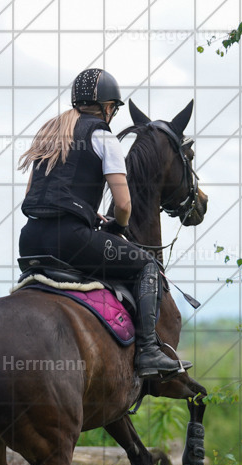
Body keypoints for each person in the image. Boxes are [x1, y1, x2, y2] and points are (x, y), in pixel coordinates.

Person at [18, 68, 186, 379]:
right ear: (108, 107)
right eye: (113, 110)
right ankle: (148, 351)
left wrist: (84, 211)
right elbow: (123, 205)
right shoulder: (102, 136)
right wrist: (117, 226)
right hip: (70, 240)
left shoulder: (49, 133)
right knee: (147, 265)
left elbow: (34, 195)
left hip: (29, 240)